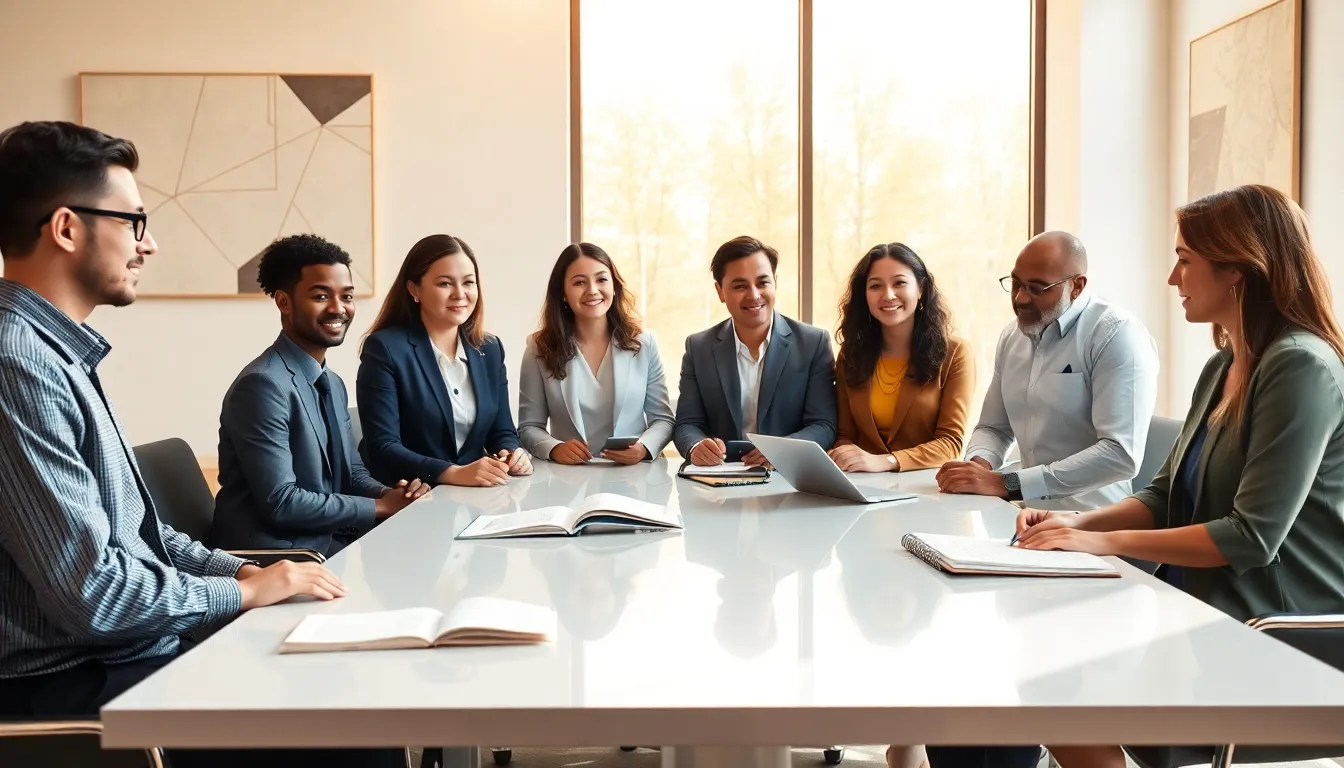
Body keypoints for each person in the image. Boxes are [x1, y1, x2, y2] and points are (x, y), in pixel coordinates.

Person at [0, 120, 399, 768]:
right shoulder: (19, 366)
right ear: (68, 227)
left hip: (135, 651)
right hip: (85, 686)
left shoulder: (61, 358)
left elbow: (145, 537)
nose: (149, 244)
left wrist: (243, 571)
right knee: (359, 731)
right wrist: (244, 594)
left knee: (361, 696)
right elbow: (96, 594)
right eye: (133, 222)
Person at [1002, 185, 1344, 768]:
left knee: (1054, 696)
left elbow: (1250, 538)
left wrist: (1098, 541)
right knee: (1041, 687)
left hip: (1277, 633)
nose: (1172, 276)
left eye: (1185, 259)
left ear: (1238, 270)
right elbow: (1164, 495)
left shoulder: (1301, 368)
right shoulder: (1224, 364)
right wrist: (1072, 523)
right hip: (1202, 611)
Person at [210, 234, 429, 559]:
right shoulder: (261, 386)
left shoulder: (333, 383)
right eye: (321, 296)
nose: (339, 308)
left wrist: (394, 495)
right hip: (274, 557)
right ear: (284, 302)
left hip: (327, 545)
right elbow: (282, 503)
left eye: (347, 296)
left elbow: (351, 474)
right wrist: (381, 506)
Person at [937, 231, 1159, 509]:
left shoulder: (1117, 335)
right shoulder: (1011, 337)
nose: (1020, 298)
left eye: (1037, 288)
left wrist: (1007, 484)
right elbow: (994, 428)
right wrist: (978, 468)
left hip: (1091, 519)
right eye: (1016, 283)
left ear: (1076, 286)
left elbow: (1120, 454)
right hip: (1021, 511)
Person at [357, 234, 532, 487]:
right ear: (414, 289)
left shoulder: (489, 349)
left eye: (469, 282)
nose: (460, 294)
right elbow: (383, 445)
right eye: (445, 284)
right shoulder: (385, 349)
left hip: (474, 496)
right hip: (409, 496)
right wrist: (452, 473)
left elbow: (501, 431)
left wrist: (510, 453)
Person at [673, 235, 838, 466]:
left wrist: (782, 451)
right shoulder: (698, 348)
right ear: (720, 292)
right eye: (740, 286)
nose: (754, 295)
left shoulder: (813, 343)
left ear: (775, 283)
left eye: (762, 282)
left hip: (788, 477)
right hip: (720, 478)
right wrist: (696, 446)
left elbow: (824, 425)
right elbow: (686, 424)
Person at [519, 242, 674, 464]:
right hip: (569, 481)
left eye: (601, 279)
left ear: (614, 286)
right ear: (563, 292)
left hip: (634, 477)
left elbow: (663, 420)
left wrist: (643, 448)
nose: (592, 290)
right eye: (579, 282)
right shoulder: (539, 348)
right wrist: (555, 449)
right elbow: (528, 427)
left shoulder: (644, 343)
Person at [828, 242, 974, 473]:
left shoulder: (955, 353)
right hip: (862, 486)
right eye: (875, 286)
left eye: (900, 283)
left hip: (926, 490)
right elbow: (845, 435)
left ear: (921, 288)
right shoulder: (851, 353)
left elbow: (951, 443)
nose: (888, 295)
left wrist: (886, 461)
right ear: (864, 294)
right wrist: (845, 457)